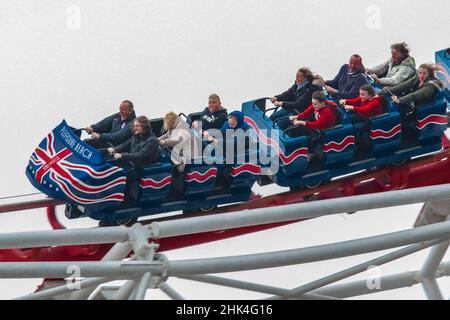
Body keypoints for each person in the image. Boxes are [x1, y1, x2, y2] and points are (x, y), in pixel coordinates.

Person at [107, 116, 160, 205]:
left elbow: (141, 155)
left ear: (144, 126)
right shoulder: (136, 136)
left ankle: (127, 202)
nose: (134, 128)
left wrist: (122, 155)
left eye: (137, 126)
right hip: (134, 164)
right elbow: (126, 144)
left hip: (146, 168)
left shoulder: (152, 140)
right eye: (134, 126)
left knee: (123, 176)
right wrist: (115, 149)